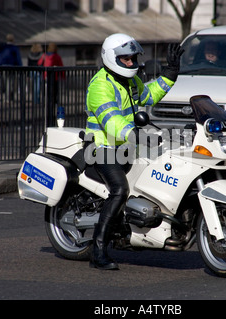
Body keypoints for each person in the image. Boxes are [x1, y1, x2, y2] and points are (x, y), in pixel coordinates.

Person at [85, 33, 183, 270]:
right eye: (126, 59)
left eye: (133, 58)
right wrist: (133, 133)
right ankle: (98, 252)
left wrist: (170, 74)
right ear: (112, 59)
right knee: (120, 190)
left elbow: (149, 94)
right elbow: (112, 120)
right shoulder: (100, 85)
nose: (132, 63)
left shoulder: (130, 82)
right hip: (102, 147)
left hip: (127, 146)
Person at [0, 34, 22, 101]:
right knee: (10, 82)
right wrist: (20, 67)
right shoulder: (14, 48)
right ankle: (8, 97)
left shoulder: (2, 48)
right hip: (12, 66)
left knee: (5, 82)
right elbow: (18, 59)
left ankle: (7, 97)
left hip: (3, 66)